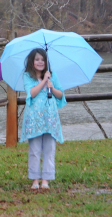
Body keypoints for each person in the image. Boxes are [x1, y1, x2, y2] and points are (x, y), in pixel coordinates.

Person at [21, 48, 67, 190]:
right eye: (37, 59)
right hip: (34, 118)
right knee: (34, 150)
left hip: (50, 117)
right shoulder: (27, 76)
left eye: (42, 59)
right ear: (32, 61)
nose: (40, 62)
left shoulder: (52, 75)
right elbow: (32, 93)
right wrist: (43, 81)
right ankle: (35, 179)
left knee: (49, 148)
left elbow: (61, 95)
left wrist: (51, 87)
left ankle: (46, 179)